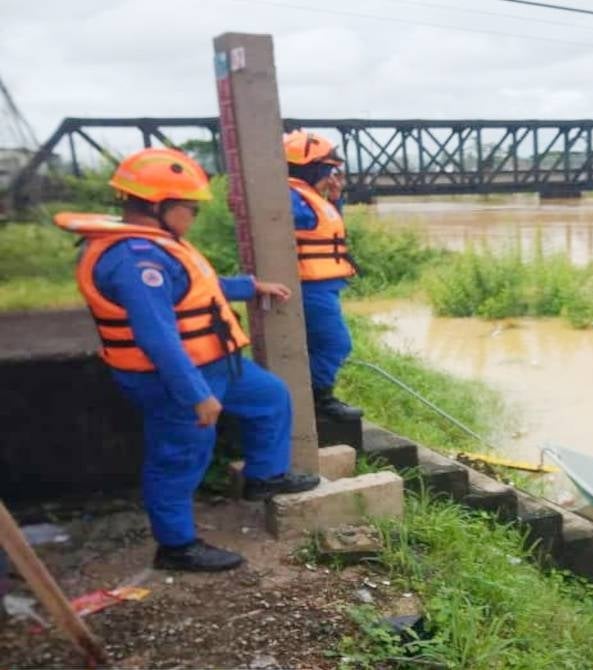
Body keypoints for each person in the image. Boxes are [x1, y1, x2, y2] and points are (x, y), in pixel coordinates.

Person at [55, 148, 320, 572]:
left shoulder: (159, 246)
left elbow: (199, 287)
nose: (193, 217)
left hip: (218, 364)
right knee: (178, 458)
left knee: (270, 397)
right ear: (159, 206)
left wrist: (251, 287)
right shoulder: (135, 261)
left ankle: (265, 477)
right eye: (190, 209)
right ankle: (177, 547)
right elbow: (158, 337)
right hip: (174, 378)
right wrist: (196, 395)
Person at [284, 130, 363, 421]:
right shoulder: (292, 198)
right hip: (310, 288)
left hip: (322, 286)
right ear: (313, 166)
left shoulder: (306, 197)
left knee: (320, 344)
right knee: (335, 343)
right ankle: (320, 400)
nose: (332, 175)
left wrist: (335, 197)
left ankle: (312, 397)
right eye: (330, 169)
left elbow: (324, 226)